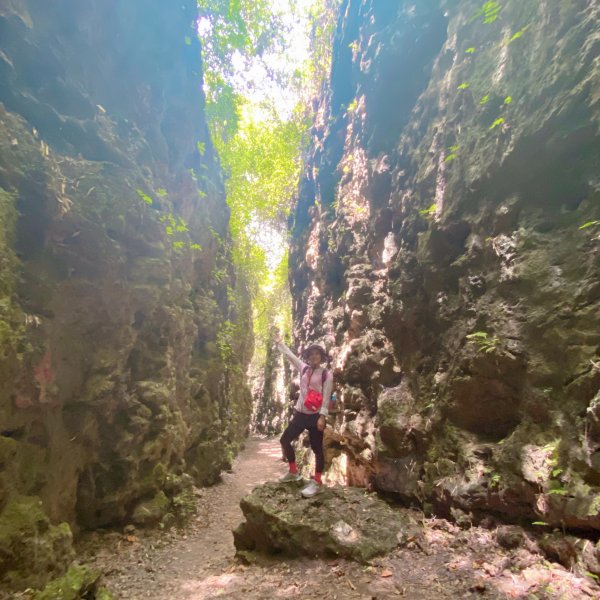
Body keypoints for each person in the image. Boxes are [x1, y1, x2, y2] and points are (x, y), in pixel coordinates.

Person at [275, 333, 332, 498]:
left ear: (321, 357)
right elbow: (291, 356)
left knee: (317, 449)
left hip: (315, 416)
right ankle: (293, 472)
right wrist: (280, 344)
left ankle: (317, 482)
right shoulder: (304, 369)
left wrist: (322, 417)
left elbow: (327, 396)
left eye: (317, 354)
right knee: (285, 440)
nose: (314, 356)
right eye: (311, 354)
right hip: (300, 414)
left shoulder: (326, 374)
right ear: (308, 357)